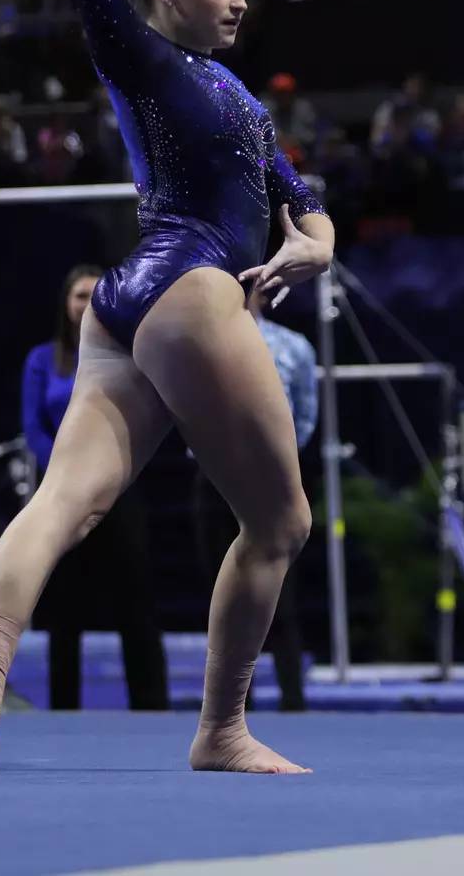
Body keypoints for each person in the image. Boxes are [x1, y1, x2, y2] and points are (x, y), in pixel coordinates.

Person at [0, 0, 333, 777]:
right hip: (192, 288)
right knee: (280, 525)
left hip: (126, 301)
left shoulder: (235, 92)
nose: (237, 0)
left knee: (65, 500)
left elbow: (297, 196)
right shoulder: (139, 55)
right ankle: (220, 729)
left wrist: (313, 244)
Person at [25, 265, 169, 711]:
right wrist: (67, 471)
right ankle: (63, 708)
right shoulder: (42, 360)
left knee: (135, 599)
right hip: (62, 492)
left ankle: (151, 706)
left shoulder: (130, 352)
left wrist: (110, 471)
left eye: (93, 295)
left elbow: (144, 415)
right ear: (65, 304)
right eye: (78, 295)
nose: (85, 304)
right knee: (62, 603)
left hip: (119, 487)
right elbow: (33, 427)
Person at [192, 284, 316, 712]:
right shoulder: (199, 345)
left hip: (271, 478)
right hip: (214, 474)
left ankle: (293, 699)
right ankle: (231, 706)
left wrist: (276, 461)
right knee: (222, 592)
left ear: (263, 293)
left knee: (278, 590)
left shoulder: (293, 347)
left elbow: (306, 416)